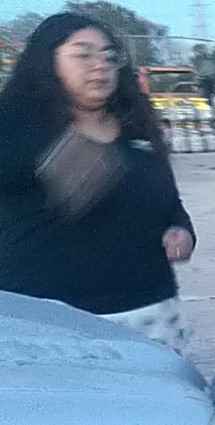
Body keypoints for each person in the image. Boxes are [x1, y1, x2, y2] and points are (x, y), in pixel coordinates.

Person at [0, 13, 196, 355]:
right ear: (46, 59)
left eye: (109, 56)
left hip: (149, 313)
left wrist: (181, 229)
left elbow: (169, 203)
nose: (101, 65)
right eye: (83, 54)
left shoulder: (137, 128)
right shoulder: (13, 124)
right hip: (47, 321)